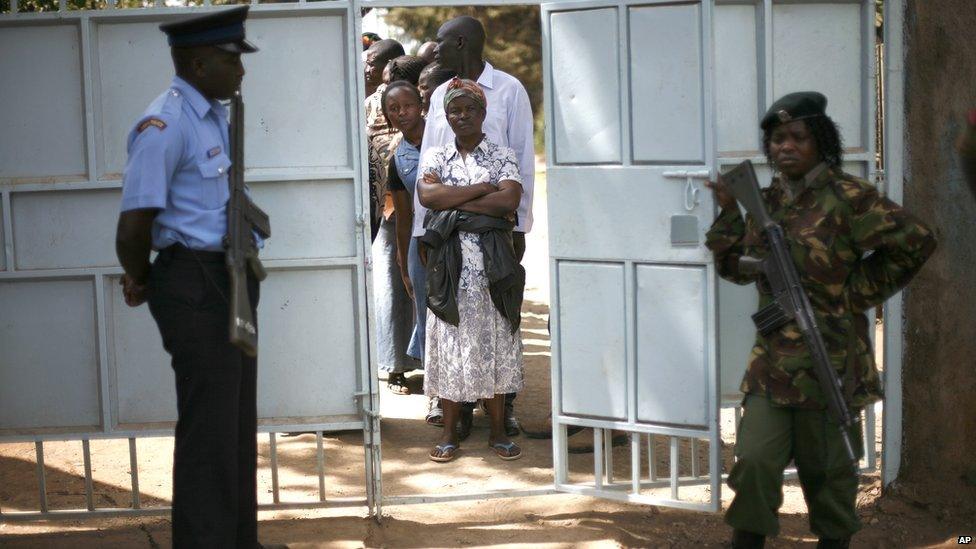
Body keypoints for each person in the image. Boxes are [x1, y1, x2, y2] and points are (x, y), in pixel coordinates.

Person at [705, 92, 936, 549]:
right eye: (776, 139)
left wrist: (854, 293)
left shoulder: (850, 197)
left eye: (797, 137)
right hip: (771, 368)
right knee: (753, 464)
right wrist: (731, 212)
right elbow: (732, 267)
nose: (784, 147)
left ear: (820, 142)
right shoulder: (765, 201)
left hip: (832, 364)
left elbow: (916, 241)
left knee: (829, 478)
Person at [113, 7, 284, 548]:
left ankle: (239, 541)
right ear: (197, 61)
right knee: (209, 429)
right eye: (233, 59)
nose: (242, 70)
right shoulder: (164, 126)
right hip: (192, 283)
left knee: (234, 422)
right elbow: (134, 223)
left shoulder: (211, 114)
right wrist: (140, 279)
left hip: (229, 275)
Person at [416, 15, 534, 437]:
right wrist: (424, 228)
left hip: (498, 234)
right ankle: (459, 414)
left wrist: (519, 223)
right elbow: (428, 179)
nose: (435, 48)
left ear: (461, 43)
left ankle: (505, 412)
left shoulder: (508, 90)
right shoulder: (440, 95)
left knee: (500, 317)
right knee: (453, 322)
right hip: (445, 234)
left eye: (441, 42)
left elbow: (521, 163)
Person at [365, 39, 406, 241]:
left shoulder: (418, 100)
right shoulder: (368, 103)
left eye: (372, 63)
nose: (367, 68)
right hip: (381, 199)